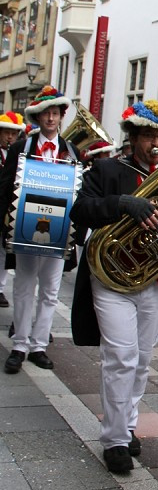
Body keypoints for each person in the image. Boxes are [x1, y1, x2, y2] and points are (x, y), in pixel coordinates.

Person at [70, 100, 158, 473]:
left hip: (154, 276)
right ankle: (115, 439)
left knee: (142, 360)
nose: (155, 144)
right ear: (132, 137)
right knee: (120, 358)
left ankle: (127, 425)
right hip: (111, 277)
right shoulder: (107, 168)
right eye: (148, 135)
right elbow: (80, 210)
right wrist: (121, 204)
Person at [0, 87, 79, 374]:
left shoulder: (72, 151)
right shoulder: (20, 147)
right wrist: (6, 225)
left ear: (61, 116)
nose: (50, 117)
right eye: (46, 113)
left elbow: (77, 195)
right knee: (23, 288)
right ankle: (19, 344)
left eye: (55, 113)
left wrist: (73, 230)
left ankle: (38, 345)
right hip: (24, 228)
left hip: (57, 232)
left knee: (50, 291)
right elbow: (6, 186)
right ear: (38, 116)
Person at [0, 111, 26, 308]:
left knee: (3, 251)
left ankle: (0, 288)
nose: (10, 137)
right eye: (6, 133)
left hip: (9, 208)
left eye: (13, 134)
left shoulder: (20, 154)